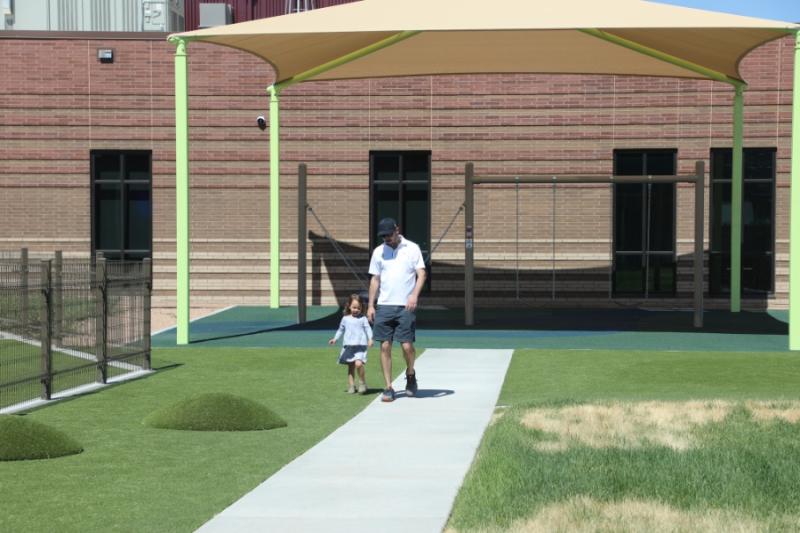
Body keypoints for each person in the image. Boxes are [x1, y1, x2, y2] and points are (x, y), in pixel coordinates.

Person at [367, 217, 426, 402]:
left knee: (407, 346)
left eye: (389, 234)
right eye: (383, 236)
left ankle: (410, 374)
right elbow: (375, 279)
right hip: (384, 305)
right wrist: (370, 305)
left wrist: (414, 295)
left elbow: (422, 273)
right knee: (384, 346)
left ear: (397, 230)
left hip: (405, 306)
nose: (386, 238)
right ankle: (388, 387)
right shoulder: (378, 252)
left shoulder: (412, 248)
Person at [329, 294, 373, 394]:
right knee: (351, 367)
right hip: (349, 346)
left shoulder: (363, 319)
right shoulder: (345, 319)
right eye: (354, 307)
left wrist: (370, 339)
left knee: (358, 364)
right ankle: (351, 386)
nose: (356, 310)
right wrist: (335, 339)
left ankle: (362, 382)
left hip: (360, 346)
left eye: (358, 308)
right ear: (349, 306)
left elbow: (368, 329)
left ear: (361, 307)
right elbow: (340, 330)